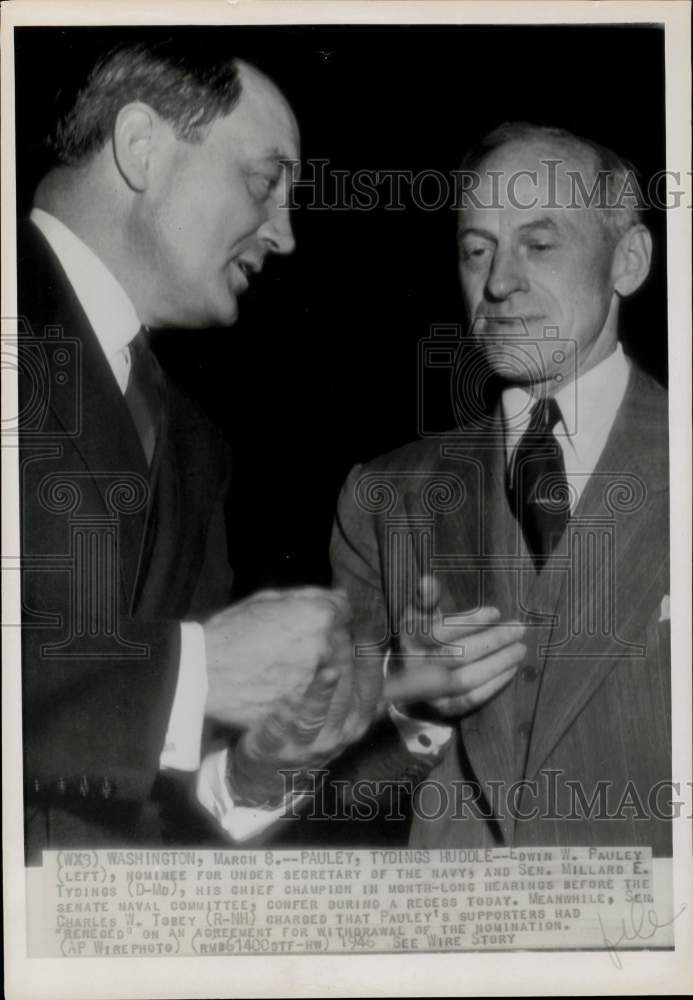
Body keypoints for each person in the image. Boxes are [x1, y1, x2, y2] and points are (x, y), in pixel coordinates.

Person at [17, 38, 379, 862]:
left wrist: (260, 769)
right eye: (264, 180)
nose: (284, 234)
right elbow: (176, 680)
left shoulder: (193, 443)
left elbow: (160, 792)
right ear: (143, 147)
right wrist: (192, 672)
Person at [329, 123, 671, 853]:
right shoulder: (384, 497)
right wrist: (406, 706)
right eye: (475, 250)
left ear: (629, 260)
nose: (497, 283)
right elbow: (335, 792)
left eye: (538, 246)